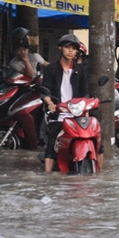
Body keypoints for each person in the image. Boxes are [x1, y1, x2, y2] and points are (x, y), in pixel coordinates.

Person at [41, 34, 91, 173]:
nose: (70, 51)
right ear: (60, 49)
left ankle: (98, 174)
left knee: (97, 142)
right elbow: (45, 90)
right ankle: (47, 175)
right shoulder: (51, 69)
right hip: (59, 114)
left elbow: (85, 92)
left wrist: (86, 106)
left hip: (76, 113)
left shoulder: (81, 70)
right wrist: (50, 103)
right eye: (67, 47)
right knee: (51, 145)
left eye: (73, 48)